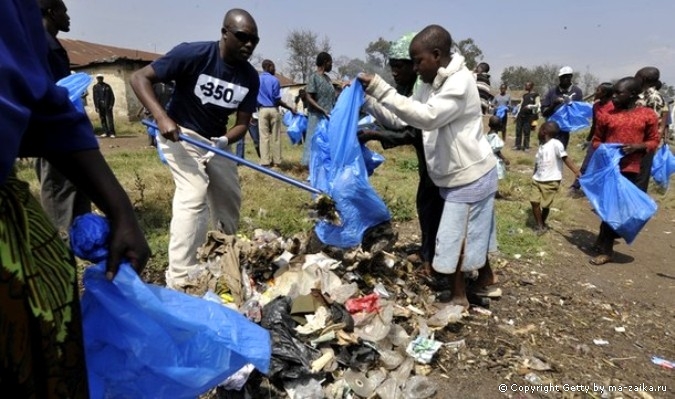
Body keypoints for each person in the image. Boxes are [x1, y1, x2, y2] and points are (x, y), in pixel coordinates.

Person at [0, 1, 150, 396]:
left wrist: (120, 208)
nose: (69, 18)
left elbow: (46, 109)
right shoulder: (48, 45)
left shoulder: (25, 22)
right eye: (62, 10)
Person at [358, 25, 500, 309]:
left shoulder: (459, 83)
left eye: (418, 61)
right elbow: (403, 118)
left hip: (470, 174)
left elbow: (428, 117)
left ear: (436, 55)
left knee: (457, 236)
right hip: (454, 175)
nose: (414, 67)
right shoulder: (429, 82)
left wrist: (379, 87)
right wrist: (368, 101)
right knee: (472, 230)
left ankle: (459, 297)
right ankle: (485, 280)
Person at [130, 8, 260, 290]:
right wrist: (162, 118)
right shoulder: (193, 54)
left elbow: (242, 123)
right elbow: (139, 78)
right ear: (225, 33)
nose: (249, 45)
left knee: (228, 198)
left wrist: (225, 140)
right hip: (182, 134)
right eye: (242, 37)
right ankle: (180, 278)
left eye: (254, 40)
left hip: (215, 141)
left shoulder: (250, 77)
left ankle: (223, 256)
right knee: (194, 191)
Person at [357, 31, 444, 277]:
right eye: (392, 67)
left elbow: (411, 133)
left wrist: (375, 135)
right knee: (426, 205)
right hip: (427, 160)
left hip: (440, 160)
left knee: (433, 207)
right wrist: (368, 101)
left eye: (399, 67)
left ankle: (435, 262)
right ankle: (428, 251)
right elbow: (397, 120)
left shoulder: (424, 89)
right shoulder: (413, 88)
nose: (394, 72)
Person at [34, 0, 91, 240]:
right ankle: (60, 241)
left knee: (76, 184)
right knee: (58, 187)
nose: (68, 18)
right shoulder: (40, 45)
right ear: (52, 12)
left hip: (65, 125)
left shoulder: (49, 43)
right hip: (51, 129)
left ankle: (77, 236)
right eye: (64, 12)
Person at [589, 77, 660, 265]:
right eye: (614, 93)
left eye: (619, 93)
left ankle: (607, 249)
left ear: (633, 95)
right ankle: (602, 238)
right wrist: (606, 150)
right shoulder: (606, 115)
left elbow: (654, 141)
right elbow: (596, 140)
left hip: (629, 169)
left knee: (615, 209)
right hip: (608, 169)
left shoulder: (647, 115)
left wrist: (638, 147)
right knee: (604, 207)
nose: (614, 97)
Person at [529, 121, 580, 235]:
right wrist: (534, 175)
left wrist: (576, 171)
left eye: (540, 129)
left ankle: (542, 222)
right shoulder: (542, 146)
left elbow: (565, 158)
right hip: (537, 179)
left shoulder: (556, 143)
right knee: (534, 201)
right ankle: (540, 225)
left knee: (545, 205)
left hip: (551, 180)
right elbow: (537, 163)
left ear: (544, 131)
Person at [570, 82, 614, 191]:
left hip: (609, 142)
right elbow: (594, 124)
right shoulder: (596, 106)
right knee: (586, 165)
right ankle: (576, 186)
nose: (596, 92)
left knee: (605, 167)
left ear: (605, 93)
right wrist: (588, 139)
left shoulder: (614, 107)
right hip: (596, 140)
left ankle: (601, 190)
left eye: (598, 90)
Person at [257, 59, 295, 167]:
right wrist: (289, 107)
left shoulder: (257, 79)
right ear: (268, 66)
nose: (275, 69)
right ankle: (277, 162)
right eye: (273, 67)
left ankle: (265, 162)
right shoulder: (274, 80)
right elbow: (277, 99)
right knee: (276, 136)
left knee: (263, 137)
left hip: (262, 110)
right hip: (273, 109)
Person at [635, 66, 667, 191]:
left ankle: (636, 205)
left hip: (644, 143)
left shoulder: (654, 97)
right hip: (637, 141)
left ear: (643, 79)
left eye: (637, 76)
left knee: (641, 175)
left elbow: (651, 122)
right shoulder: (642, 95)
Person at [302, 52, 337, 167]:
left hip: (328, 117)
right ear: (325, 62)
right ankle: (311, 167)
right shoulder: (314, 77)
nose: (331, 66)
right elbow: (308, 97)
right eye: (330, 63)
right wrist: (322, 110)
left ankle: (323, 166)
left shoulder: (327, 79)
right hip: (316, 116)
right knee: (315, 141)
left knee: (326, 143)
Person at [541, 66, 583, 149]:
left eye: (566, 77)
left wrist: (570, 104)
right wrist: (554, 104)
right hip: (550, 128)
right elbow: (544, 112)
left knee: (559, 153)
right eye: (561, 77)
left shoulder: (577, 92)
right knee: (545, 153)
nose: (563, 79)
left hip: (564, 130)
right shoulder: (552, 91)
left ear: (571, 77)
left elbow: (578, 113)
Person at [514, 81, 540, 151]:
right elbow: (520, 105)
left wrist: (530, 106)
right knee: (518, 131)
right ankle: (517, 145)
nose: (525, 87)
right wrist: (516, 115)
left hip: (528, 116)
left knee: (526, 131)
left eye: (526, 85)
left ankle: (526, 147)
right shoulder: (524, 96)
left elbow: (537, 105)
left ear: (531, 86)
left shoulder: (536, 95)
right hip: (520, 115)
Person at [486, 115, 510, 181]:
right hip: (494, 160)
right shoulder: (495, 138)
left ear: (489, 125)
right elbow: (497, 151)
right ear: (499, 126)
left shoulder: (486, 135)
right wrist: (504, 159)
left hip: (487, 158)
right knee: (495, 177)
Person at [93, 74, 116, 138]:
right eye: (98, 78)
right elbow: (94, 97)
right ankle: (105, 132)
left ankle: (112, 133)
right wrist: (96, 106)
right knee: (102, 119)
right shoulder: (95, 87)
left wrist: (111, 104)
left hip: (107, 105)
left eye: (101, 78)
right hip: (100, 105)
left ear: (102, 78)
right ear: (97, 79)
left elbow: (112, 96)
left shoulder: (107, 86)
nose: (99, 79)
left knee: (110, 119)